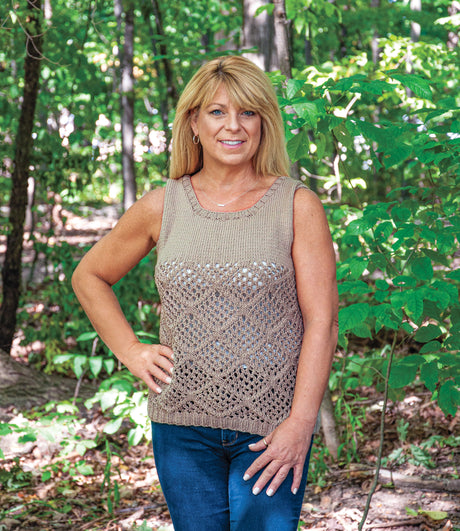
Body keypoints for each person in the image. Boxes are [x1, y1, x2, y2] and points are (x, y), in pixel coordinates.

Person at [72, 55, 338, 531]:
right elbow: (89, 276)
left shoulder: (296, 205)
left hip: (271, 425)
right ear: (193, 122)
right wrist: (131, 351)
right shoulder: (163, 205)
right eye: (217, 112)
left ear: (264, 122)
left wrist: (301, 422)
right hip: (181, 425)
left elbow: (323, 321)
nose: (233, 125)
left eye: (248, 112)